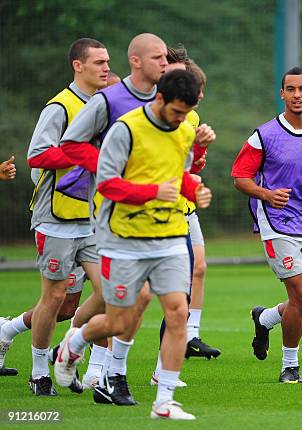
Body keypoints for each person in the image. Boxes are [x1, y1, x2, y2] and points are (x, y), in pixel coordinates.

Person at [59, 34, 210, 403]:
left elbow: (179, 169)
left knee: (168, 306)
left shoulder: (177, 109)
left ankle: (125, 382)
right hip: (116, 221)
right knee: (121, 305)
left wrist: (197, 163)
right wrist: (121, 171)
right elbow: (71, 145)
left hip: (164, 223)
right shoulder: (111, 101)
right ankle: (82, 351)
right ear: (137, 61)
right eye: (158, 56)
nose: (166, 62)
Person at [231, 67, 302, 383]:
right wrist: (267, 194)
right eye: (290, 89)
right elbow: (240, 177)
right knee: (301, 292)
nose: (297, 95)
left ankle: (264, 319)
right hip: (276, 223)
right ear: (282, 94)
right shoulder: (264, 135)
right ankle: (290, 368)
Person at [22, 38, 109, 396]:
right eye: (99, 62)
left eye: (108, 62)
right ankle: (40, 371)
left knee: (111, 293)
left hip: (92, 219)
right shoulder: (60, 106)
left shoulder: (104, 106)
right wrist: (84, 155)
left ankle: (68, 348)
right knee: (54, 297)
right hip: (56, 217)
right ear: (78, 65)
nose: (106, 67)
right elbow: (36, 156)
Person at [151, 51, 220, 391]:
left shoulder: (190, 118)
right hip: (140, 217)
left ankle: (173, 358)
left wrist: (198, 171)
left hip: (180, 210)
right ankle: (76, 346)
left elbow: (189, 170)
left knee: (193, 275)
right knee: (122, 303)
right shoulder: (140, 118)